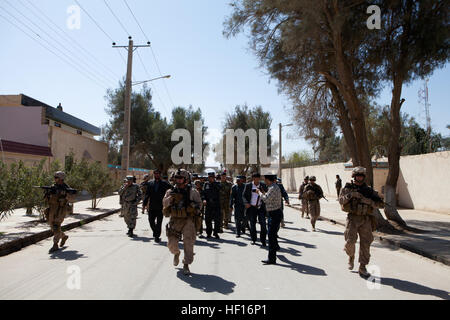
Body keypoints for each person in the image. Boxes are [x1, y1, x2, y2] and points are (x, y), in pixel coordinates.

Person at [339, 167, 384, 278]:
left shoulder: (368, 190)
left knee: (366, 244)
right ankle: (351, 256)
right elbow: (340, 201)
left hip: (365, 219)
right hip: (352, 219)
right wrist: (351, 195)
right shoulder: (347, 188)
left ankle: (362, 267)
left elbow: (381, 204)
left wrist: (368, 201)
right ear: (354, 176)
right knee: (350, 242)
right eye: (357, 175)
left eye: (361, 176)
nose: (359, 177)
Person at [162, 169, 202, 275]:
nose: (178, 181)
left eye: (181, 179)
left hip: (188, 220)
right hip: (175, 220)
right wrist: (171, 198)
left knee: (188, 242)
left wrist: (192, 207)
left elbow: (199, 205)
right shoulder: (170, 191)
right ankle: (176, 253)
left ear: (186, 180)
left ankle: (186, 264)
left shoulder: (192, 192)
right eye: (177, 178)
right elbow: (164, 203)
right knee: (171, 244)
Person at [43, 171, 77, 253]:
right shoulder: (53, 187)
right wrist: (48, 193)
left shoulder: (66, 188)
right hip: (52, 209)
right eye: (54, 177)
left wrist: (66, 194)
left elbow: (72, 199)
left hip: (61, 209)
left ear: (61, 179)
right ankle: (63, 236)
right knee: (53, 227)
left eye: (56, 178)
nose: (55, 179)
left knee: (56, 226)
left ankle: (55, 245)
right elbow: (47, 199)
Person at [257, 174, 282, 264]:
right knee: (272, 234)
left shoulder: (273, 188)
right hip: (273, 213)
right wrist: (263, 192)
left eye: (265, 180)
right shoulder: (272, 187)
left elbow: (266, 199)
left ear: (268, 180)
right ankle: (275, 247)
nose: (264, 181)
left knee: (271, 236)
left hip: (275, 214)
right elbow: (269, 197)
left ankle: (272, 258)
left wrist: (259, 193)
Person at [142, 169, 171, 243]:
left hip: (161, 206)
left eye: (158, 174)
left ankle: (157, 236)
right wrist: (144, 204)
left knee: (159, 222)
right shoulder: (150, 183)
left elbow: (172, 189)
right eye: (155, 174)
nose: (156, 175)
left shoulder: (164, 183)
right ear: (154, 174)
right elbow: (147, 194)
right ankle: (155, 232)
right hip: (152, 206)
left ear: (160, 175)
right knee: (151, 221)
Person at [242, 173, 268, 246]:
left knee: (263, 224)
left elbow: (266, 194)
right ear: (253, 178)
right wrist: (246, 203)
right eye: (255, 178)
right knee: (252, 224)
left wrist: (262, 191)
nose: (257, 180)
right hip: (252, 207)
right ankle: (253, 239)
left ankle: (263, 240)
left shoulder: (263, 185)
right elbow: (243, 196)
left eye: (258, 178)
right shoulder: (248, 185)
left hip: (261, 208)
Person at [202, 171, 222, 239]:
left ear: (214, 178)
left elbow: (219, 189)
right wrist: (204, 199)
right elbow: (203, 193)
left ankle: (216, 233)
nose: (210, 178)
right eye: (209, 177)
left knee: (217, 220)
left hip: (216, 204)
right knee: (208, 219)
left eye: (212, 177)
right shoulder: (206, 184)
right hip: (208, 204)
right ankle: (208, 233)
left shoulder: (218, 184)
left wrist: (213, 183)